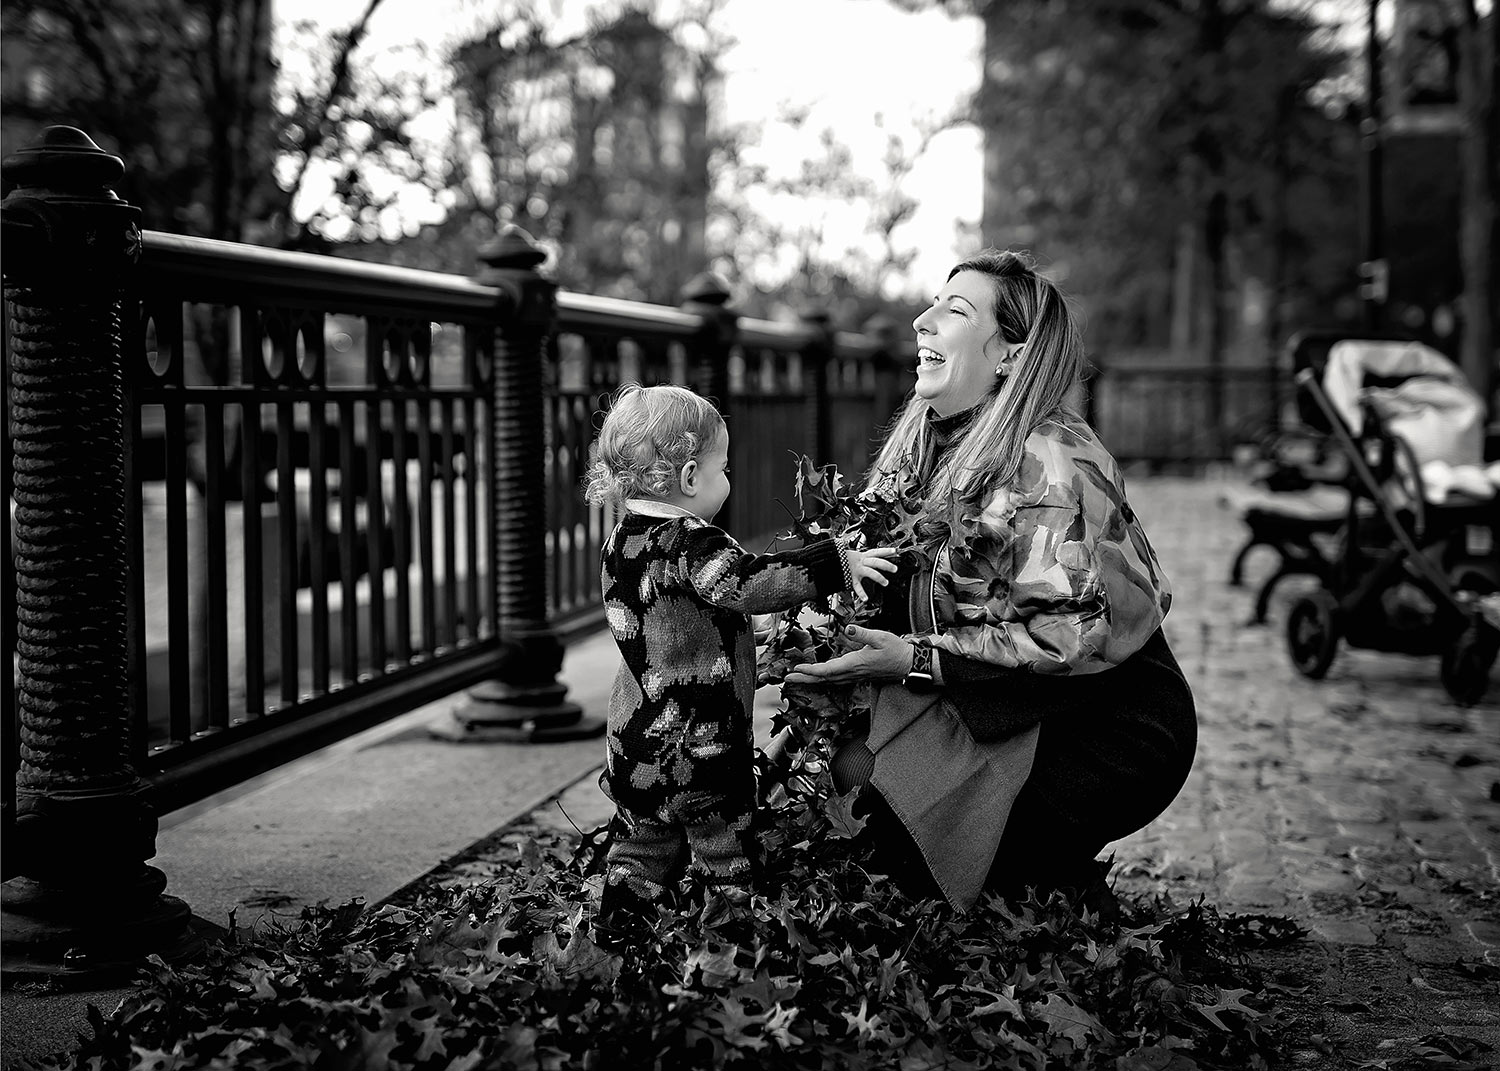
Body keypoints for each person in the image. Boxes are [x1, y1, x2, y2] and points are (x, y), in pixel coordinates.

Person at [781, 249, 1197, 912]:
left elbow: (1066, 639)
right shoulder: (931, 441)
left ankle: (1051, 876)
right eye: (933, 304)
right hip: (996, 694)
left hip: (1106, 724)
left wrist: (912, 660)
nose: (922, 321)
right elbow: (881, 579)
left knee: (895, 854)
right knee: (843, 789)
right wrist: (823, 657)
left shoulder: (1049, 460)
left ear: (1009, 353)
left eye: (955, 311)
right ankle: (1032, 874)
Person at [582, 383, 898, 938]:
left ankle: (611, 931)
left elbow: (673, 624)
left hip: (634, 744)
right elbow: (747, 584)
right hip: (699, 749)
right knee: (723, 845)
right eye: (721, 468)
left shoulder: (620, 543)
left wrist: (749, 643)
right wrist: (834, 564)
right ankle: (725, 939)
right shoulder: (691, 542)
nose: (728, 480)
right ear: (687, 478)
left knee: (641, 845)